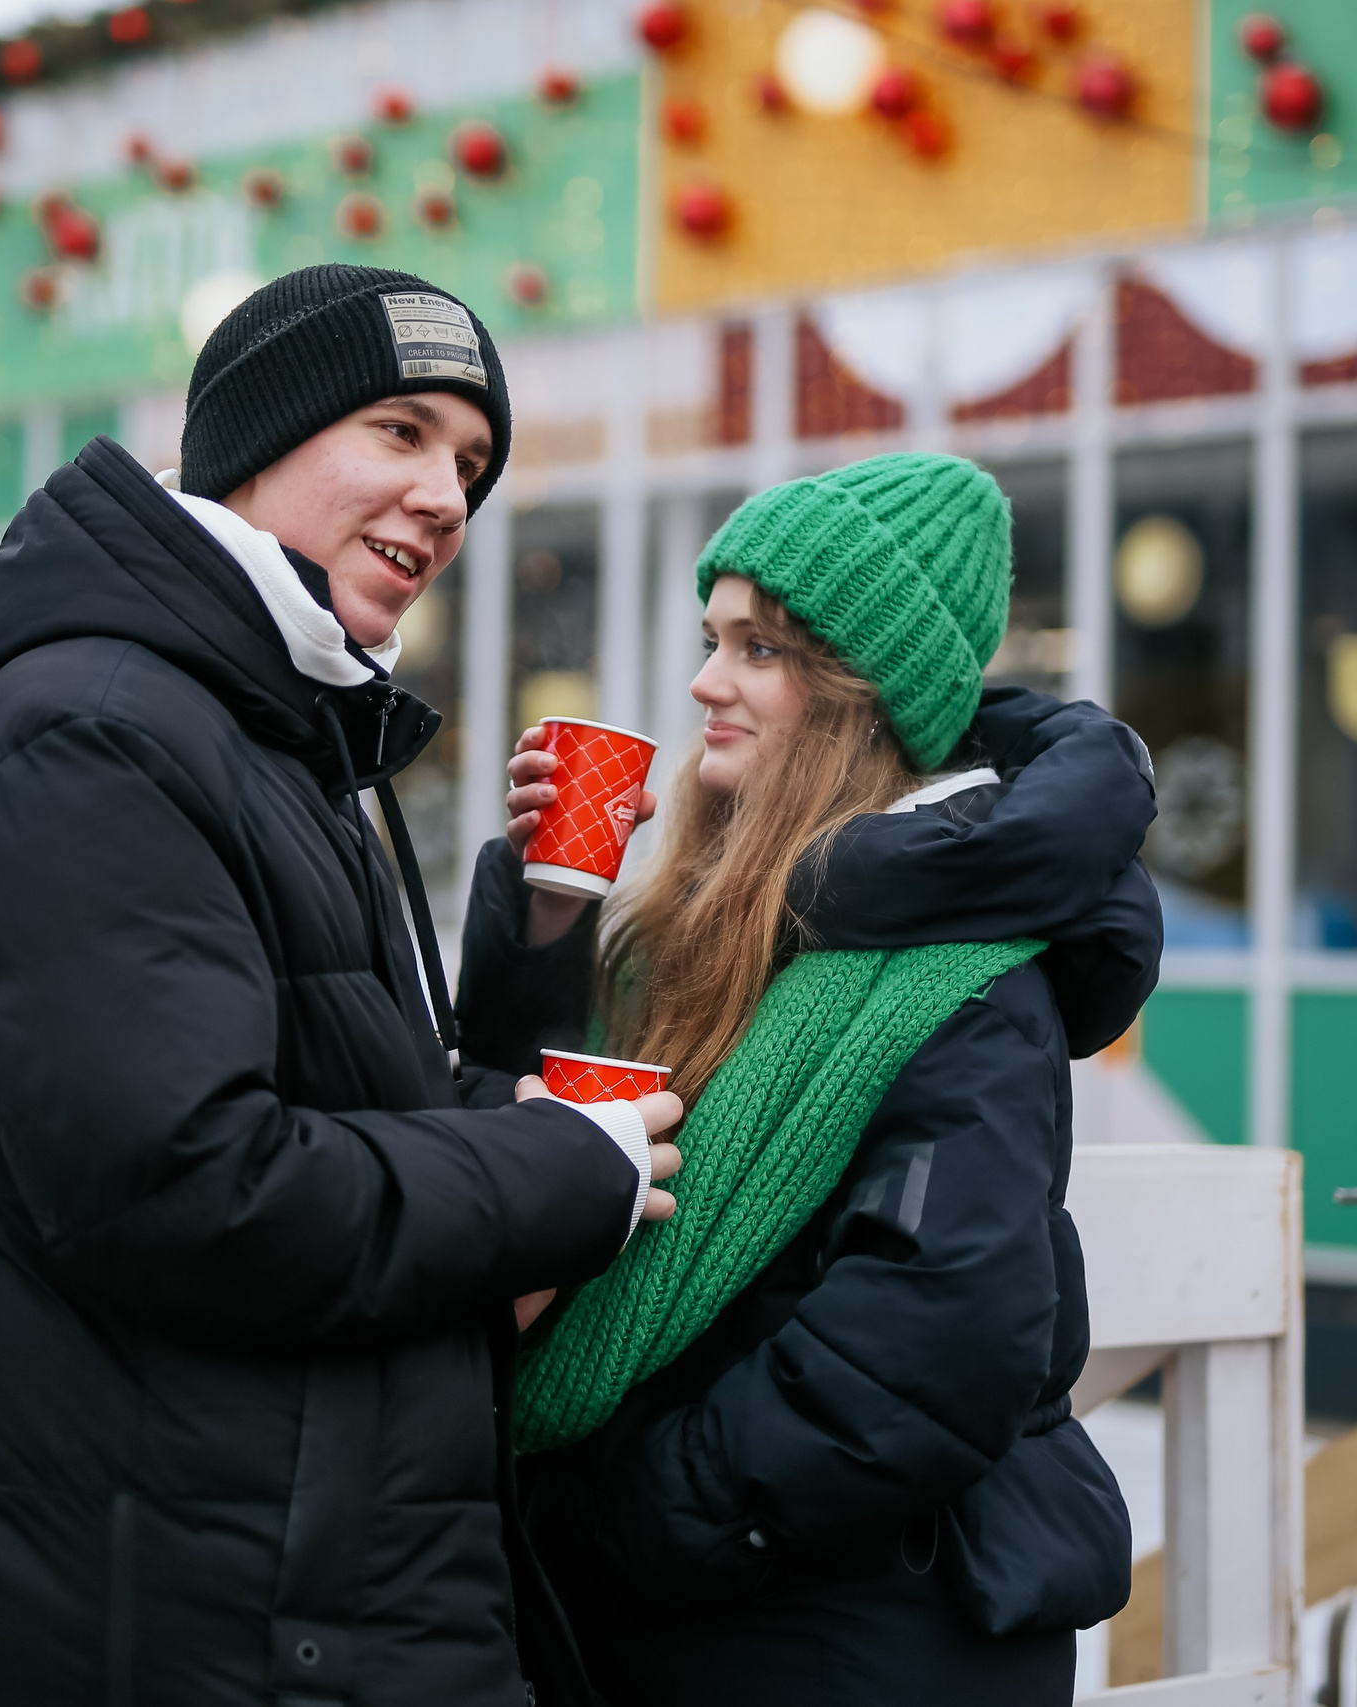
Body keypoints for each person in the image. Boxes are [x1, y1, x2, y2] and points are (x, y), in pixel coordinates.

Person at [0, 265, 681, 1707]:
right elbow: (193, 1186)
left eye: (471, 463)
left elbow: (353, 1105)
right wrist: (564, 1172)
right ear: (256, 439)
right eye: (401, 430)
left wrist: (537, 982)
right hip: (216, 1629)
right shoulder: (98, 738)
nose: (445, 496)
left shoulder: (269, 735)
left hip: (315, 1598)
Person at [458, 452, 1158, 1703]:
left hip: (853, 1626)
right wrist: (550, 919)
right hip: (715, 1612)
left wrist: (633, 1516)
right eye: (712, 639)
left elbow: (935, 1346)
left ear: (859, 696)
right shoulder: (722, 921)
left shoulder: (962, 978)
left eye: (758, 650)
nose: (704, 681)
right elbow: (553, 1144)